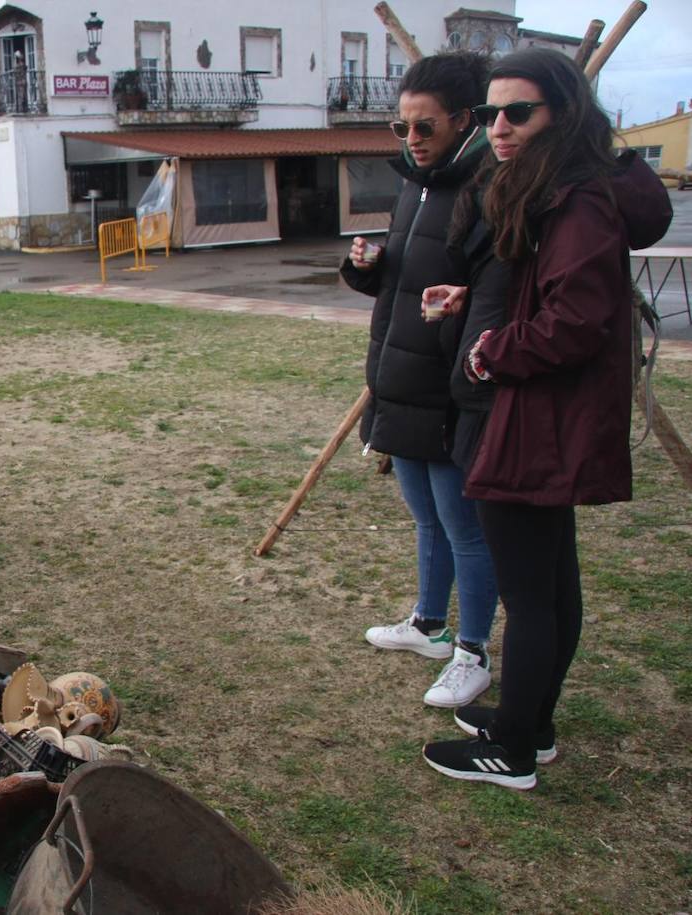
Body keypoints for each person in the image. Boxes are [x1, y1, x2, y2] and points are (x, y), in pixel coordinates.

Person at [422, 47, 672, 789]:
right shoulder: (560, 188)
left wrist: (496, 349)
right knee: (551, 581)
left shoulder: (577, 198)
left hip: (542, 415)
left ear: (560, 114)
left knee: (533, 593)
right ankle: (531, 721)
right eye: (492, 112)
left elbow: (578, 319)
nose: (499, 126)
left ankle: (513, 747)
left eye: (518, 112)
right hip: (549, 413)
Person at [340, 52, 499, 708]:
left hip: (448, 384)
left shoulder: (489, 187)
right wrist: (368, 265)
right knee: (424, 517)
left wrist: (461, 307)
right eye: (400, 127)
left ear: (464, 120)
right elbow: (407, 272)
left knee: (464, 524)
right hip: (397, 374)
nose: (411, 140)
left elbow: (495, 290)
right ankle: (429, 624)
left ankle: (472, 651)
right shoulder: (417, 183)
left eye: (424, 127)